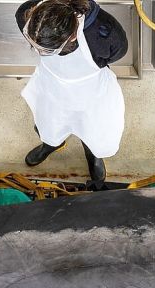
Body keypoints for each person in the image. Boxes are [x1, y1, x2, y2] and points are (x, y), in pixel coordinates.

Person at [16, 0, 128, 182]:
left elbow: (118, 52)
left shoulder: (104, 32)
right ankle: (51, 143)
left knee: (92, 128)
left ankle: (93, 155)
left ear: (74, 36)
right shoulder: (26, 14)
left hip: (91, 93)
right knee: (49, 123)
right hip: (51, 86)